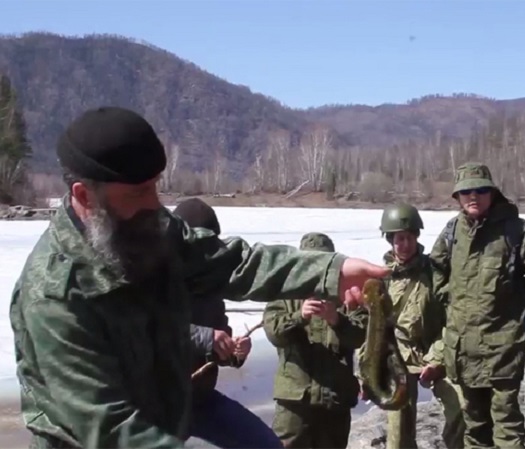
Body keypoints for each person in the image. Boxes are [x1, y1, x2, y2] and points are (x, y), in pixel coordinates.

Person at [9, 106, 389, 449]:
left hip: (173, 407)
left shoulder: (146, 226)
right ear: (84, 195)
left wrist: (330, 271)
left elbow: (234, 263)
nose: (156, 204)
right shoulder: (56, 296)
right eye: (140, 191)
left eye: (156, 185)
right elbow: (107, 427)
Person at [429, 162, 525, 449]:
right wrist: (448, 296)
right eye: (466, 191)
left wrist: (523, 304)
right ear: (458, 197)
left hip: (503, 349)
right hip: (464, 349)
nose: (474, 196)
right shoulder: (452, 233)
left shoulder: (515, 231)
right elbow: (435, 269)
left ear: (492, 193)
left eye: (481, 190)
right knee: (474, 427)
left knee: (507, 426)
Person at [173, 198, 282, 448]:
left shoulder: (210, 286)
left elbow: (220, 346)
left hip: (200, 400)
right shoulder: (152, 277)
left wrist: (234, 352)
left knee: (267, 445)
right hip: (157, 406)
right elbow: (150, 329)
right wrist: (205, 337)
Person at [358, 203, 465, 449]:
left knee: (460, 409)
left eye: (408, 238)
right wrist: (365, 376)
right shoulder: (378, 280)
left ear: (416, 237)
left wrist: (437, 358)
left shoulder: (435, 273)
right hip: (397, 359)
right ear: (390, 241)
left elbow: (453, 318)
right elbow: (370, 333)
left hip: (435, 354)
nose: (403, 244)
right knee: (398, 432)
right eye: (397, 239)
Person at [263, 232, 367, 449]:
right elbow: (273, 333)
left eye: (322, 262)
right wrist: (299, 316)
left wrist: (337, 320)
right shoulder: (284, 293)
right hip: (294, 401)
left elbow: (362, 336)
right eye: (310, 262)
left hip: (335, 400)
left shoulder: (348, 294)